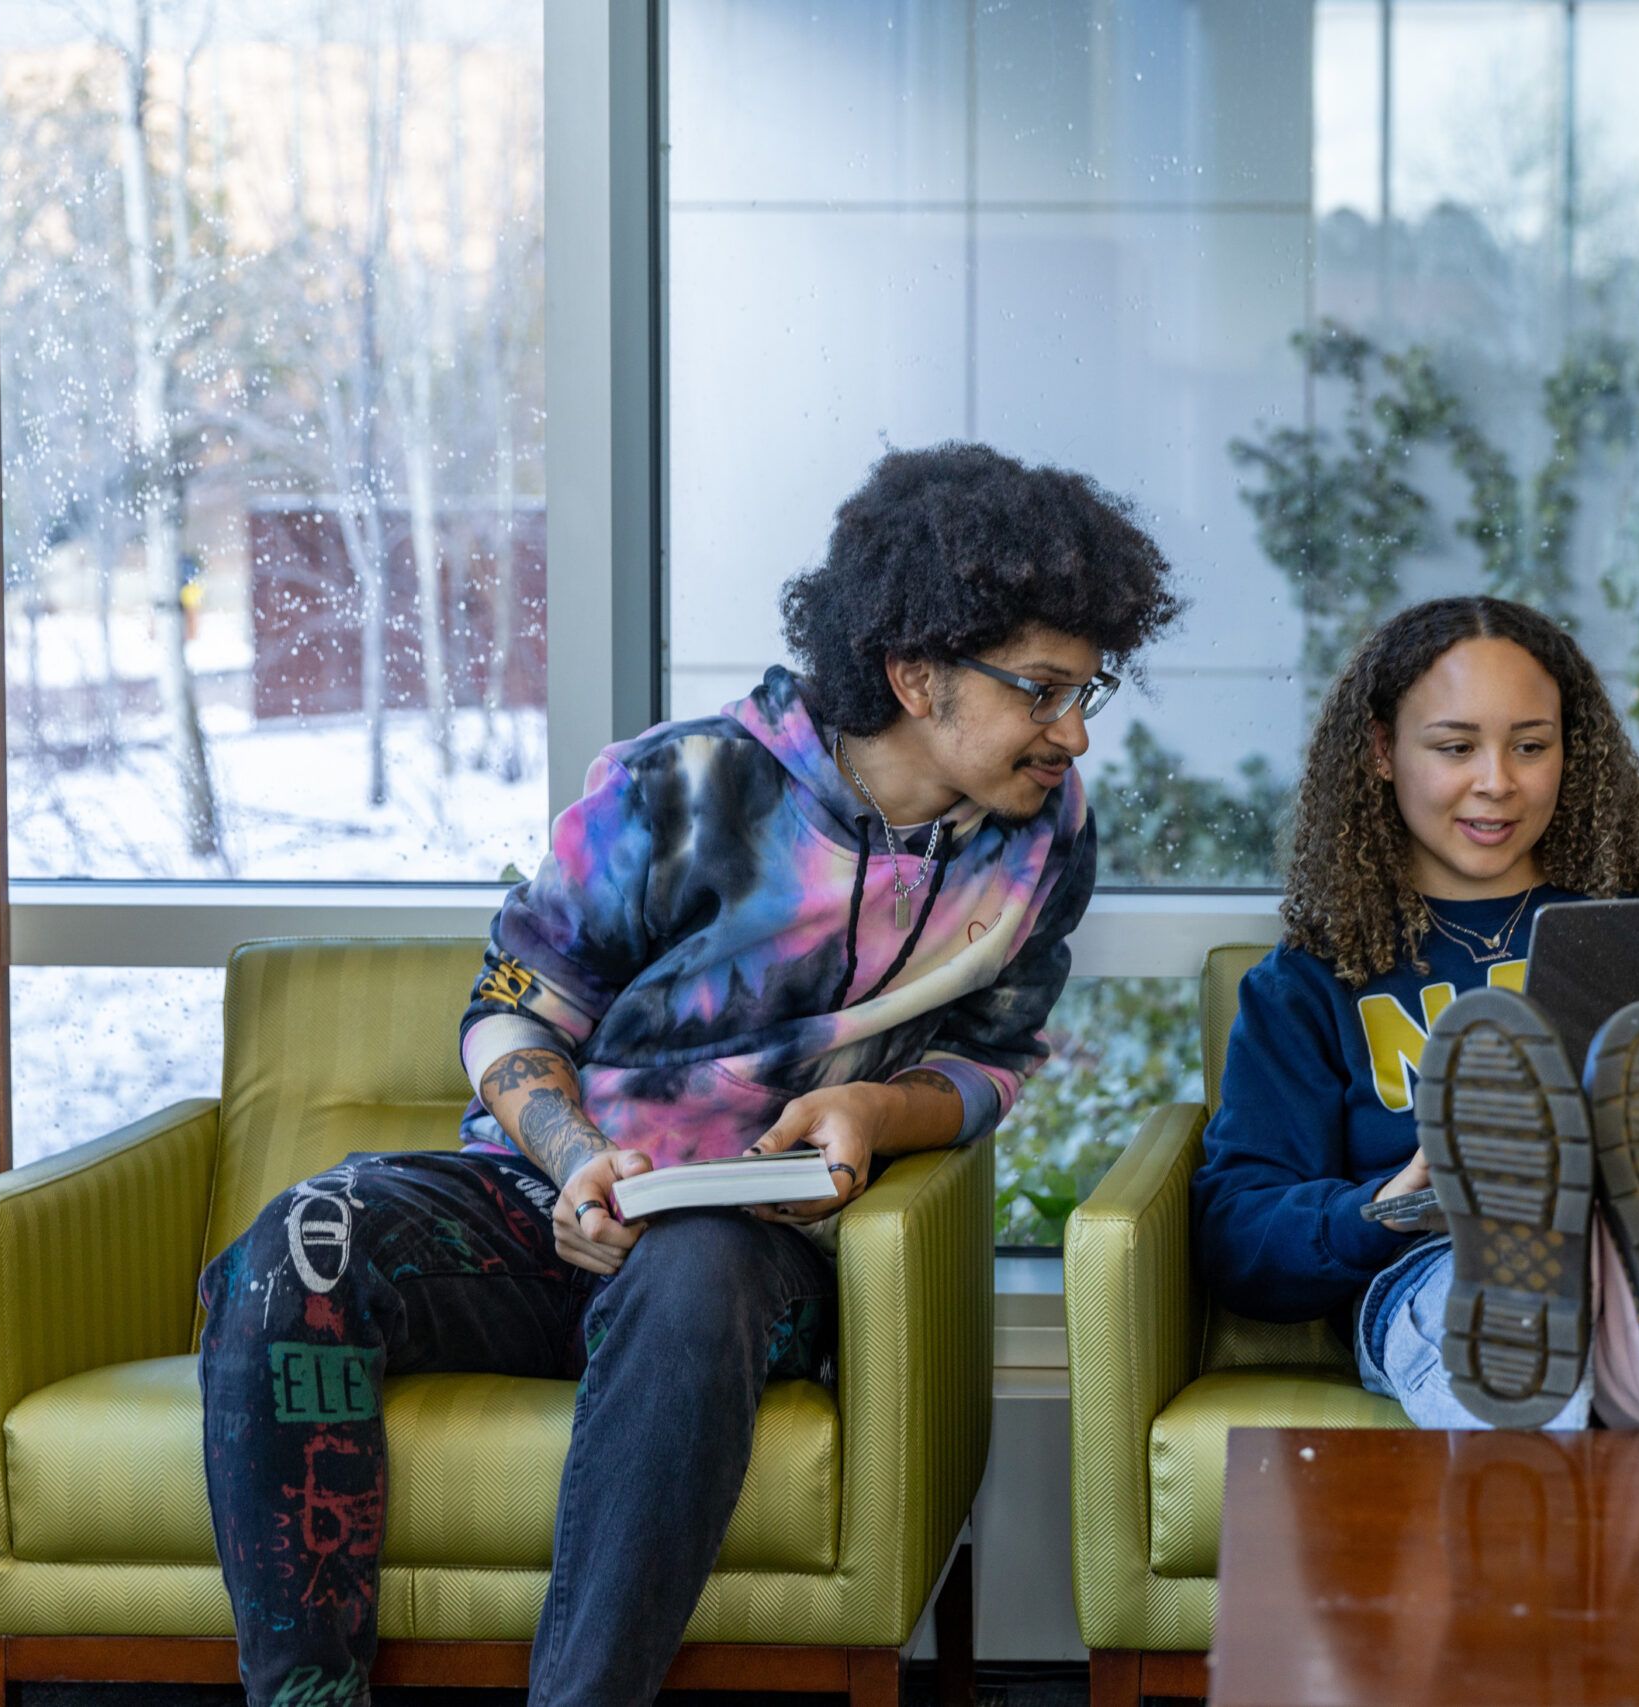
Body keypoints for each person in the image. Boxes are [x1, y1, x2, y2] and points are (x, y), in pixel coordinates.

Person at [196, 443, 1181, 1707]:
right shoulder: (684, 789)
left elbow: (991, 1059)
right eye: (1042, 692)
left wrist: (874, 1109)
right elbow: (512, 1011)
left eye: (1087, 691)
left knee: (695, 1265)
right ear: (916, 673)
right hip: (555, 1199)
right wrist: (574, 1161)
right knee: (299, 1246)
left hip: (753, 1250)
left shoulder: (1047, 834)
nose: (1074, 732)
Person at [1190, 596, 1639, 1439]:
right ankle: (1590, 1348)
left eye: (1530, 745)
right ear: (1380, 750)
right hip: (1449, 1261)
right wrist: (1394, 1199)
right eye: (1455, 747)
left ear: (1569, 751)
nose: (1497, 781)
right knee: (1481, 1297)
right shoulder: (1311, 982)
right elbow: (1240, 1237)